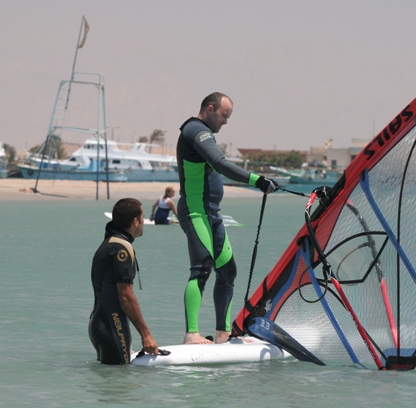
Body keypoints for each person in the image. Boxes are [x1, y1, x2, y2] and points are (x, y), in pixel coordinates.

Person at [176, 92, 278, 345]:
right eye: (224, 115)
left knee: (227, 271)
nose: (225, 122)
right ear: (210, 109)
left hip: (212, 215)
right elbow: (220, 164)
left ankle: (223, 333)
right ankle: (191, 334)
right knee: (202, 267)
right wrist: (257, 180)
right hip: (194, 210)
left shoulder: (205, 133)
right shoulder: (194, 130)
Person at [88, 197, 159, 364]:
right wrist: (146, 335)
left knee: (111, 383)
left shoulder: (109, 243)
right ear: (135, 221)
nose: (143, 222)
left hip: (99, 323)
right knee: (119, 387)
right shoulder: (121, 249)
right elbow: (126, 296)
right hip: (111, 326)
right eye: (142, 217)